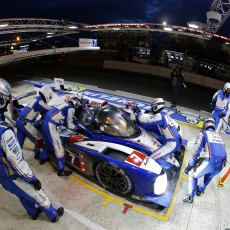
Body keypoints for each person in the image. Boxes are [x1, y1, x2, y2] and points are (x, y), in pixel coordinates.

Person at [0, 78, 64, 222]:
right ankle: (53, 215)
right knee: (36, 193)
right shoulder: (4, 131)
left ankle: (32, 212)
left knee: (22, 194)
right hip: (12, 173)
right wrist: (32, 179)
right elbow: (15, 159)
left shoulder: (34, 99)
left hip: (2, 174)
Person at [183, 118, 227, 203]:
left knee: (192, 174)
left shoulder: (203, 133)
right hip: (221, 164)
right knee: (209, 176)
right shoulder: (219, 136)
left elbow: (195, 151)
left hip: (211, 161)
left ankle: (190, 197)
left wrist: (190, 165)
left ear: (205, 125)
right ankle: (200, 189)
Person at [130, 98, 182, 168]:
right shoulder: (164, 115)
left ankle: (171, 170)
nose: (151, 108)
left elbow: (142, 119)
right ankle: (173, 156)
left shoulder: (159, 116)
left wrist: (138, 111)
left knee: (151, 158)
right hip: (177, 140)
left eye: (152, 106)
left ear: (156, 106)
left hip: (172, 143)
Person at [40, 96, 81, 176]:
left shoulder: (64, 104)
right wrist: (77, 128)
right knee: (59, 148)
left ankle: (43, 157)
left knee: (48, 143)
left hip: (44, 122)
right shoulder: (71, 108)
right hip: (50, 125)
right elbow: (69, 125)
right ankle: (60, 170)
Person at [16, 85, 53, 159]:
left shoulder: (36, 98)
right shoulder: (40, 102)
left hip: (19, 121)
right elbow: (50, 109)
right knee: (39, 136)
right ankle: (37, 154)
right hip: (25, 123)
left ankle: (16, 158)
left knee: (19, 143)